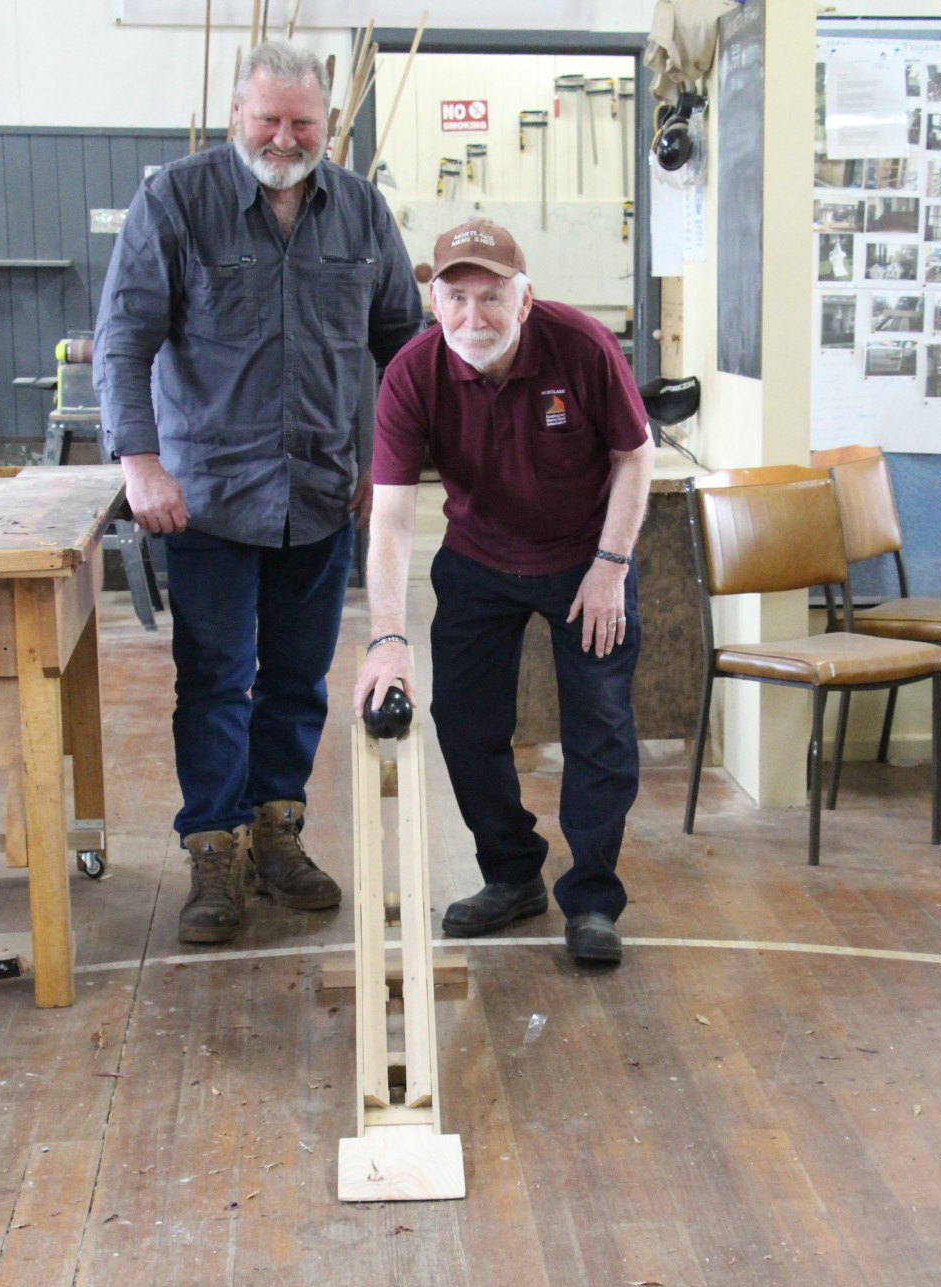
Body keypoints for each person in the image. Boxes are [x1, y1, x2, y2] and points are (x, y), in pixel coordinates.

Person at [94, 41, 423, 944]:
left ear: (328, 124)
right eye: (270, 120)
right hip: (204, 496)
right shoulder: (176, 202)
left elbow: (407, 348)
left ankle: (277, 834)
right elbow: (122, 342)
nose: (285, 139)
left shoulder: (359, 212)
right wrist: (140, 462)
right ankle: (213, 847)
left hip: (321, 492)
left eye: (303, 124)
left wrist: (390, 460)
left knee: (300, 680)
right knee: (214, 679)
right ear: (239, 114)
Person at [352, 219, 653, 965]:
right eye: (457, 298)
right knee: (462, 719)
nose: (473, 316)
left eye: (492, 298)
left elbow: (634, 456)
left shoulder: (582, 347)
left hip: (586, 559)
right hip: (481, 558)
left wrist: (611, 565)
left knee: (601, 724)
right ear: (434, 300)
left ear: (525, 301)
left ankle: (590, 899)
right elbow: (389, 517)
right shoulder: (414, 374)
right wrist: (387, 638)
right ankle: (513, 872)